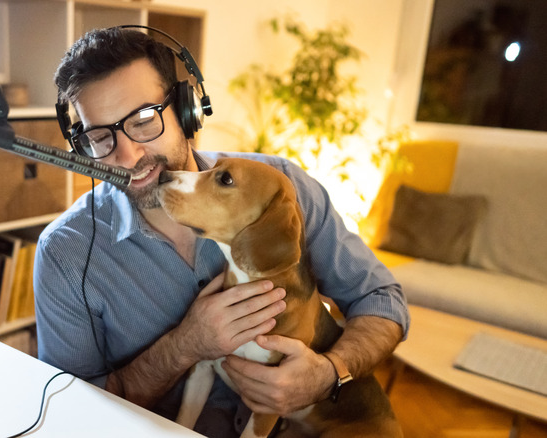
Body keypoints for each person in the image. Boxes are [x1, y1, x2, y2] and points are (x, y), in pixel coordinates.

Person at [34, 27, 409, 437]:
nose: (127, 156)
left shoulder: (280, 187)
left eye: (142, 121)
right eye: (100, 137)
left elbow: (381, 300)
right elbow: (71, 406)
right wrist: (183, 347)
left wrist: (329, 373)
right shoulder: (65, 253)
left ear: (186, 110)